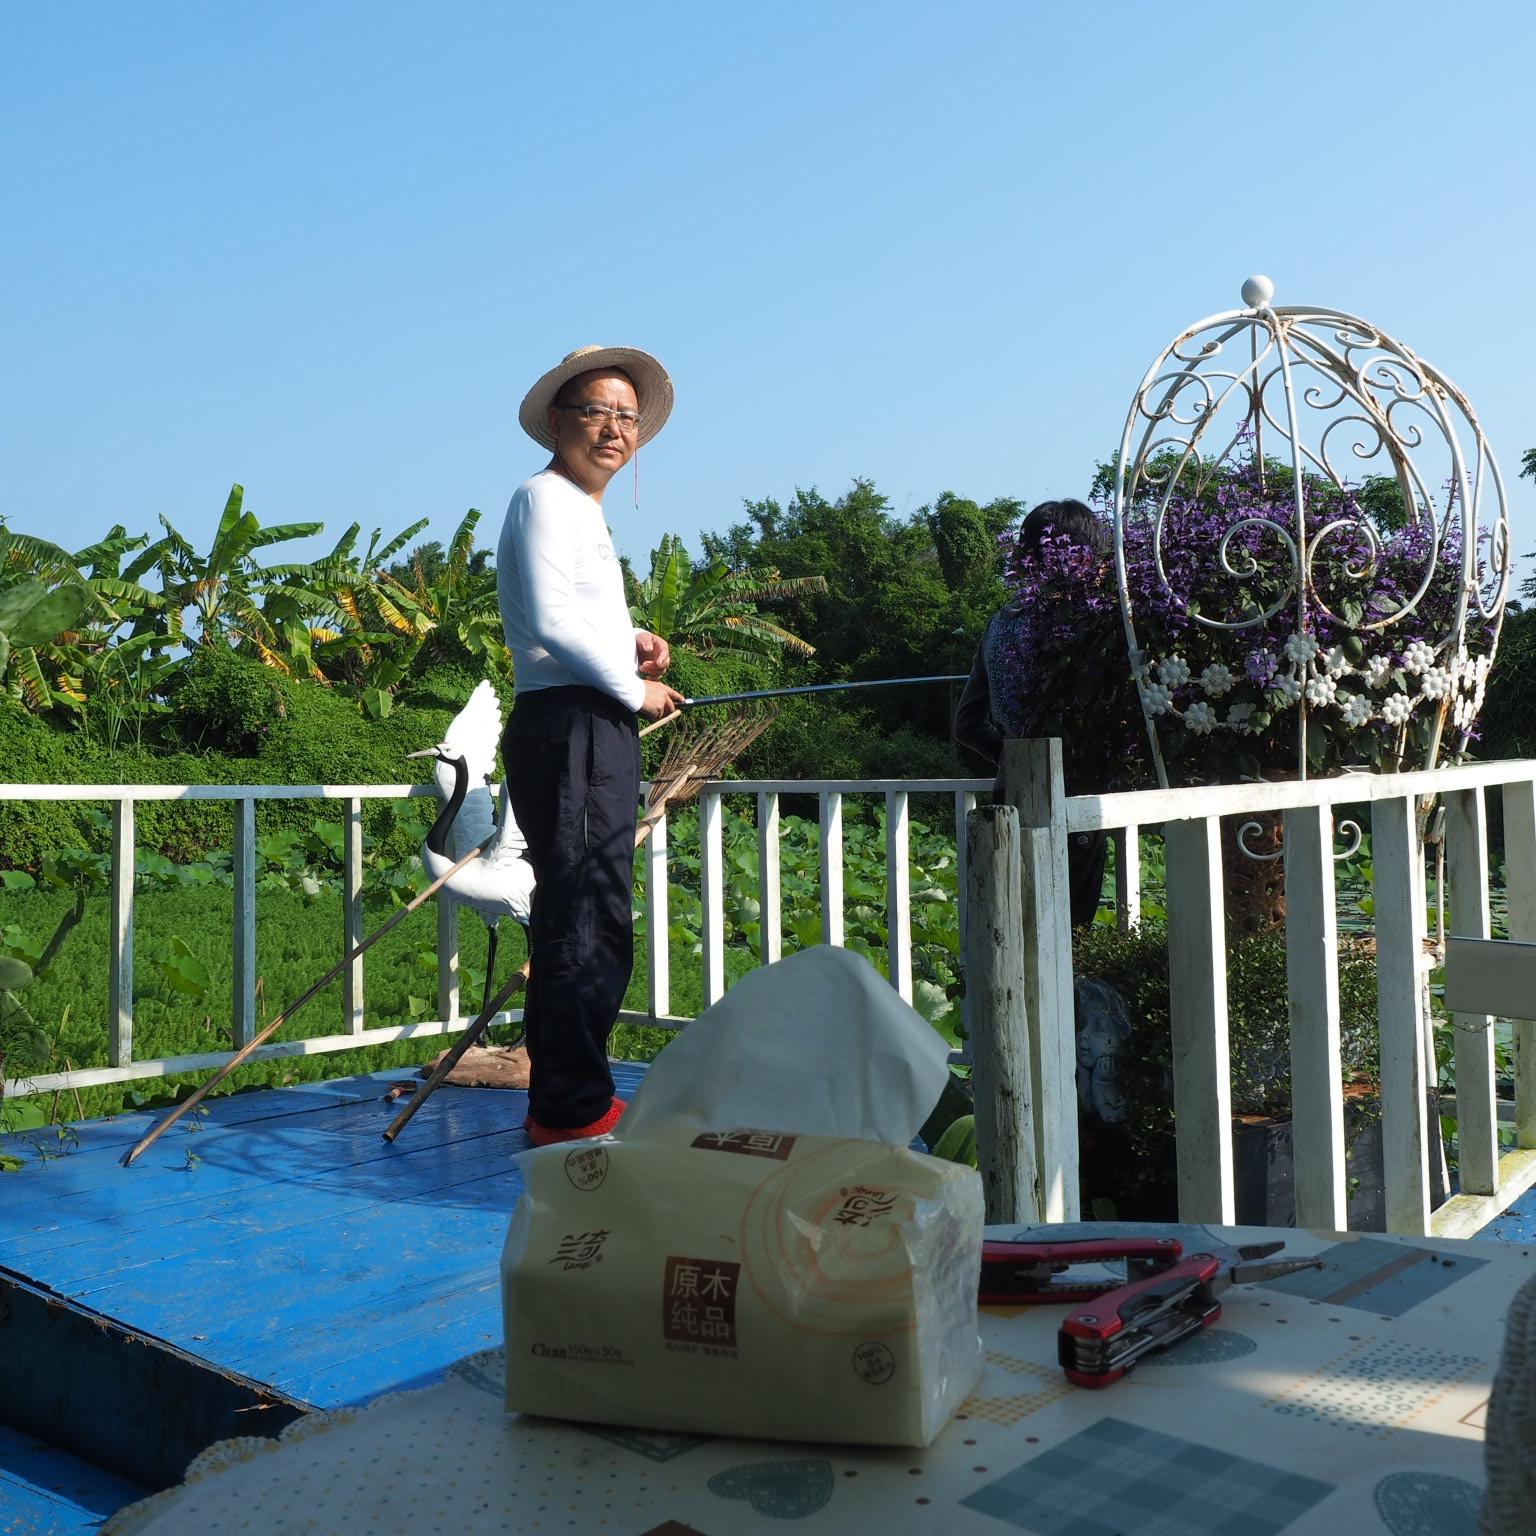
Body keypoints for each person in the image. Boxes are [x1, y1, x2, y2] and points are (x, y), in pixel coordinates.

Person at [497, 346, 684, 1146]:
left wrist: (631, 639)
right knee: (583, 913)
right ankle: (571, 1111)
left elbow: (574, 616)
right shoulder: (545, 497)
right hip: (572, 723)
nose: (614, 429)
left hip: (584, 722)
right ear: (556, 421)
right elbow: (549, 621)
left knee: (586, 907)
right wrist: (631, 688)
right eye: (596, 412)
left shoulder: (576, 508)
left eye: (627, 417)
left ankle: (565, 1099)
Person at [953, 498, 1112, 928]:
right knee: (1068, 936)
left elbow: (966, 726)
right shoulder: (1089, 621)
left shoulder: (999, 625)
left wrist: (1013, 756)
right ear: (1083, 554)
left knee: (1013, 927)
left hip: (1009, 801)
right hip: (1074, 800)